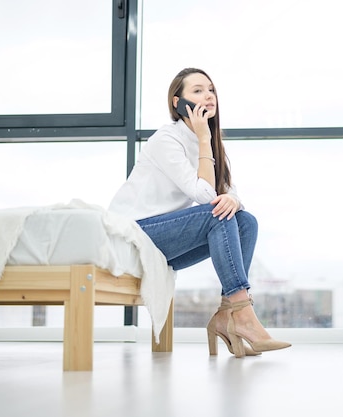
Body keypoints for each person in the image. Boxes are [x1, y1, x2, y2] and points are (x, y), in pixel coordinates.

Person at [108, 67, 290, 358]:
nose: (208, 95)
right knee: (214, 215)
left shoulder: (208, 144)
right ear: (177, 103)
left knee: (246, 222)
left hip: (162, 241)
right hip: (133, 234)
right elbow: (206, 196)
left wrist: (233, 199)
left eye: (211, 90)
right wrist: (204, 140)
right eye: (197, 91)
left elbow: (228, 191)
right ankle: (243, 316)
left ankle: (225, 316)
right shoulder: (166, 140)